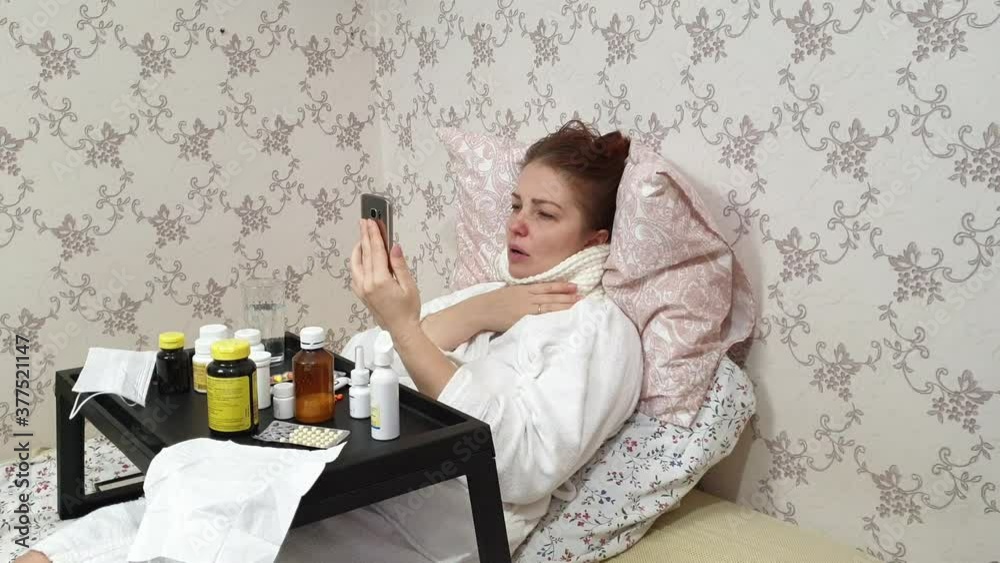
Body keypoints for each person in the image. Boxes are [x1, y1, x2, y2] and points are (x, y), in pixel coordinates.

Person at [16, 120, 643, 563]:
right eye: (515, 204)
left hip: (424, 523)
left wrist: (408, 327)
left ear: (595, 240)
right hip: (342, 478)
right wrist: (474, 311)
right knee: (149, 508)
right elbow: (359, 360)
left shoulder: (598, 331)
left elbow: (523, 468)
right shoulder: (490, 295)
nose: (516, 225)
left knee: (200, 538)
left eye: (545, 213)